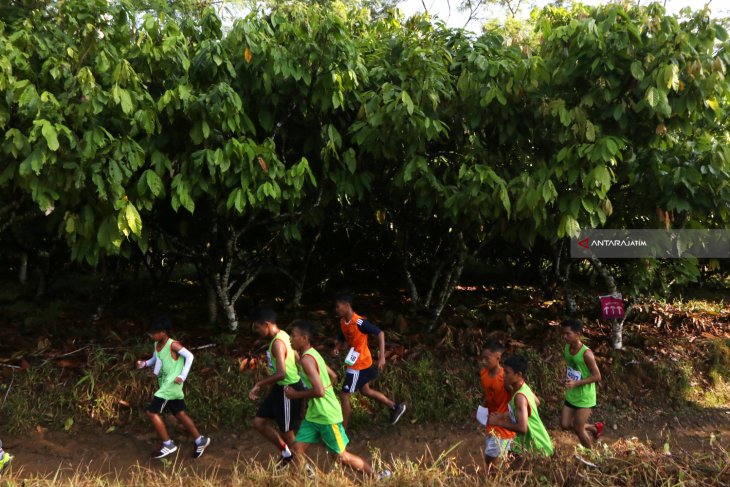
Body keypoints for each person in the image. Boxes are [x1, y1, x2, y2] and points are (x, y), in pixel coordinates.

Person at [285, 320, 391, 480]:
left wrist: (295, 395)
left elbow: (319, 391)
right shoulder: (311, 354)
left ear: (304, 338)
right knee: (297, 449)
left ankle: (377, 477)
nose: (290, 339)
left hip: (327, 416)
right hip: (314, 415)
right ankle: (312, 479)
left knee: (341, 457)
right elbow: (333, 376)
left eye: (293, 336)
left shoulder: (307, 360)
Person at [136, 318, 210, 459]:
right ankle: (201, 440)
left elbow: (190, 356)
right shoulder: (157, 344)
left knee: (152, 413)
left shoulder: (173, 345)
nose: (151, 336)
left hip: (170, 385)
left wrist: (182, 375)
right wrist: (144, 364)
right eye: (150, 334)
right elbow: (155, 359)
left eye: (154, 333)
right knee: (180, 414)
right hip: (166, 384)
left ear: (163, 332)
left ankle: (168, 444)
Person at [333, 292, 406, 427]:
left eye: (337, 306)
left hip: (359, 364)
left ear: (346, 305)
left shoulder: (359, 322)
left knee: (344, 395)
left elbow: (380, 333)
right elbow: (343, 336)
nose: (336, 309)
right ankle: (395, 407)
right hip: (357, 361)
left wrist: (382, 356)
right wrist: (337, 347)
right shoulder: (343, 321)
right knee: (366, 391)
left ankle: (342, 432)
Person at [249, 308, 305, 466]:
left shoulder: (278, 343)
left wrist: (259, 384)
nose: (257, 331)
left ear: (266, 325)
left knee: (288, 432)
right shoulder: (284, 336)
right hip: (279, 388)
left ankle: (305, 469)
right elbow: (297, 358)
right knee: (258, 422)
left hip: (288, 389)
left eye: (258, 327)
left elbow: (281, 373)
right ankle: (286, 453)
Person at [488, 354, 554, 457]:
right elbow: (536, 402)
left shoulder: (520, 397)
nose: (503, 375)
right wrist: (504, 415)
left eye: (507, 372)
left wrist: (498, 422)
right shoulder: (523, 387)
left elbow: (522, 428)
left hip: (538, 448)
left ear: (518, 374)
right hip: (533, 444)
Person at [560, 318, 603, 448]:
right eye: (564, 333)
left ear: (578, 334)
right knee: (565, 424)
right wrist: (564, 377)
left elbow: (597, 376)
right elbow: (570, 366)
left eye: (568, 334)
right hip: (572, 394)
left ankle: (592, 457)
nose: (565, 337)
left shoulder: (587, 354)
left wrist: (576, 383)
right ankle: (594, 428)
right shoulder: (567, 347)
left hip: (585, 397)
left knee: (579, 429)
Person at [479, 340, 515, 469]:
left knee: (490, 458)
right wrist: (482, 410)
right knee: (498, 459)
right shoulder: (483, 374)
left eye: (486, 359)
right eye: (482, 358)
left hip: (503, 426)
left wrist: (506, 415)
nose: (483, 361)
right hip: (491, 423)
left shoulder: (506, 378)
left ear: (498, 357)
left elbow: (517, 398)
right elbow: (488, 394)